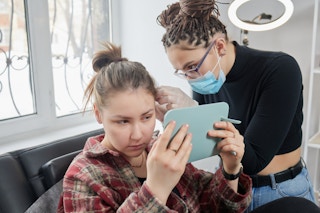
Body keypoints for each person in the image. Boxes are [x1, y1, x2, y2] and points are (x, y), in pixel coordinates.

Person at [155, 0, 316, 211]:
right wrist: (176, 122)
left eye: (192, 67)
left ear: (219, 46)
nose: (190, 79)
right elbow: (209, 146)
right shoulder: (206, 79)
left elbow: (253, 161)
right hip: (228, 187)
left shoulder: (280, 70)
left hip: (278, 192)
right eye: (181, 72)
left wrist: (196, 112)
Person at [56, 41, 252, 212]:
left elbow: (214, 207)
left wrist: (230, 168)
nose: (138, 135)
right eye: (123, 121)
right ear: (98, 114)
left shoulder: (160, 150)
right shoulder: (83, 176)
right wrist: (156, 188)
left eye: (146, 117)